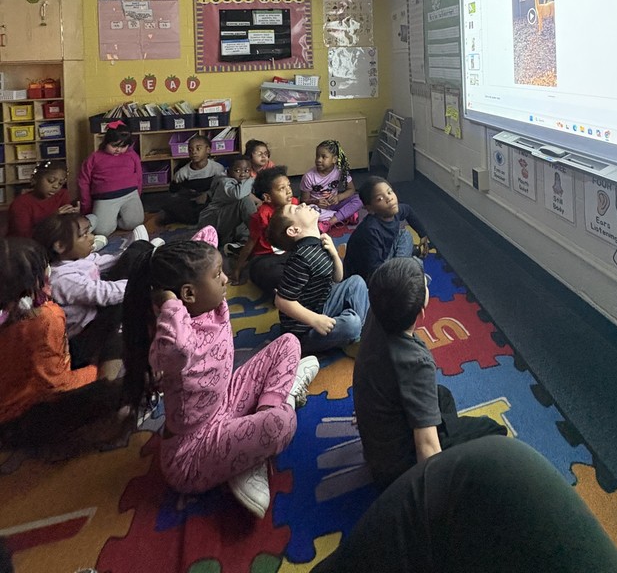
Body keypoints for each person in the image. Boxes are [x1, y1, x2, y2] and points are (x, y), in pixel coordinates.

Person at [122, 226, 318, 516]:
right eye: (217, 275)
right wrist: (169, 302)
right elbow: (177, 348)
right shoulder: (174, 342)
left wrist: (177, 270)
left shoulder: (208, 300)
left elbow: (210, 233)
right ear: (188, 294)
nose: (226, 278)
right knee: (280, 424)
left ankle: (253, 440)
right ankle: (255, 445)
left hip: (224, 400)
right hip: (192, 452)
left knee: (289, 343)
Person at [311, 436, 617, 573]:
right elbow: (427, 447)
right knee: (473, 422)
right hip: (436, 477)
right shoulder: (415, 359)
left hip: (461, 479)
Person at [353, 257, 506, 489]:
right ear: (421, 312)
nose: (426, 281)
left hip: (376, 441)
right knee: (494, 430)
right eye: (425, 283)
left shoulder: (378, 311)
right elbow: (426, 448)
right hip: (398, 471)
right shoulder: (415, 362)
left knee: (441, 395)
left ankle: (448, 433)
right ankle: (451, 448)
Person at [0, 237, 124, 447]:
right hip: (24, 410)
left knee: (111, 320)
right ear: (34, 280)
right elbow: (53, 384)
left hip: (30, 379)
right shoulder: (45, 318)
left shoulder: (24, 313)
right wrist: (95, 374)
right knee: (117, 350)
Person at [34, 212, 158, 378]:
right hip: (84, 337)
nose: (92, 238)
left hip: (95, 312)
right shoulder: (62, 279)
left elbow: (104, 262)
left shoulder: (77, 259)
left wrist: (130, 256)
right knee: (124, 305)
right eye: (84, 235)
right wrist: (139, 284)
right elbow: (103, 293)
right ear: (60, 246)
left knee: (139, 249)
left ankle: (148, 253)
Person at [269, 202, 369, 355]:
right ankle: (353, 336)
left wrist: (334, 254)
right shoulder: (300, 258)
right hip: (304, 332)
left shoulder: (319, 244)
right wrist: (315, 320)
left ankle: (354, 336)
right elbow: (281, 301)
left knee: (356, 282)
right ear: (294, 230)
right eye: (295, 209)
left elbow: (338, 278)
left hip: (322, 303)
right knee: (352, 323)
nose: (302, 204)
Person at [344, 178, 429, 283]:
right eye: (380, 199)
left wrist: (423, 235)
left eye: (389, 192)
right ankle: (405, 265)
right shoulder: (370, 231)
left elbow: (408, 210)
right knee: (417, 265)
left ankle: (404, 264)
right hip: (366, 276)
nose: (389, 198)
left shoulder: (393, 212)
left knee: (405, 234)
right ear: (370, 209)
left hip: (384, 255)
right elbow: (373, 271)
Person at [231, 166, 293, 293]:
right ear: (268, 197)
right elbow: (251, 243)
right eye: (282, 188)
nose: (289, 191)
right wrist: (237, 269)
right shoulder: (262, 215)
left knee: (313, 261)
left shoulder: (294, 206)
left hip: (289, 252)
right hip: (266, 257)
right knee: (270, 274)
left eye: (289, 186)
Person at [7, 159, 100, 244]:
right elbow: (24, 237)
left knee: (92, 218)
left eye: (60, 183)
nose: (56, 186)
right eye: (51, 181)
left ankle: (84, 246)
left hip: (58, 237)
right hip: (32, 242)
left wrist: (74, 216)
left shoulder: (62, 194)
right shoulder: (20, 203)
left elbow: (67, 226)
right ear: (35, 179)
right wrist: (52, 218)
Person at [77, 122, 144, 240]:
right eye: (114, 146)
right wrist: (86, 206)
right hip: (105, 198)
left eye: (123, 146)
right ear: (106, 142)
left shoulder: (132, 155)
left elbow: (138, 175)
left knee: (135, 222)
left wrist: (137, 194)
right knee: (102, 230)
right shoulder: (94, 157)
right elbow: (84, 181)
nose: (118, 149)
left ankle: (116, 216)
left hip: (130, 195)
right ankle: (107, 218)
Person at [158, 134, 226, 227]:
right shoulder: (182, 173)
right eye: (190, 149)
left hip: (209, 198)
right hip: (192, 199)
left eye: (198, 148)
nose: (194, 152)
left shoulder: (217, 169)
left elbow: (222, 188)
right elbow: (174, 190)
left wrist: (207, 195)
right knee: (172, 204)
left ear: (208, 150)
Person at [300, 139, 362, 228]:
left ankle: (329, 223)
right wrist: (317, 202)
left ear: (334, 159)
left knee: (359, 198)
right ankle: (344, 215)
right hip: (318, 208)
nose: (318, 160)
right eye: (317, 156)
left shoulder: (340, 171)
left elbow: (351, 189)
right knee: (306, 212)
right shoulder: (309, 177)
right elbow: (303, 201)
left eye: (323, 157)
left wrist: (339, 197)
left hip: (335, 204)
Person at [196, 155, 254, 249]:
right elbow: (238, 195)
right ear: (229, 171)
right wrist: (252, 179)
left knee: (249, 208)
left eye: (246, 171)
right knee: (244, 202)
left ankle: (240, 244)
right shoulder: (225, 182)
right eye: (237, 171)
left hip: (225, 222)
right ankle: (261, 235)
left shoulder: (242, 183)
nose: (242, 174)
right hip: (212, 220)